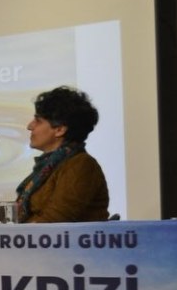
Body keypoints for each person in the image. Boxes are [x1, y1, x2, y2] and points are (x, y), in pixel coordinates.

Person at [16, 86, 109, 223]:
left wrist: (15, 232)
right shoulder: (48, 166)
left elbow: (56, 220)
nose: (30, 126)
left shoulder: (81, 165)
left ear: (59, 130)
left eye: (38, 121)